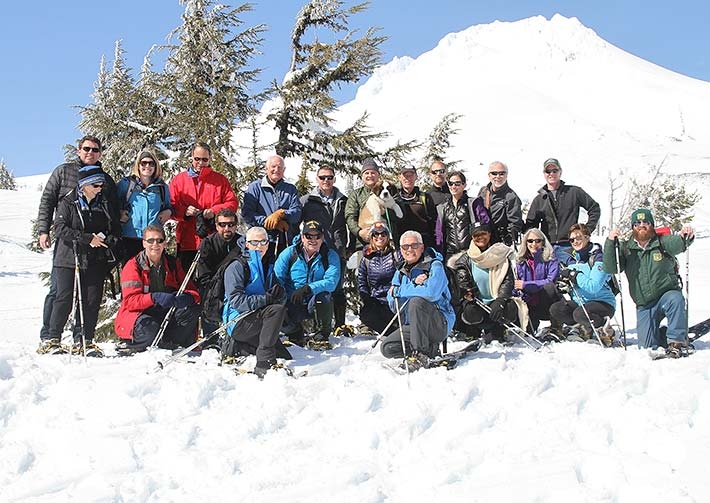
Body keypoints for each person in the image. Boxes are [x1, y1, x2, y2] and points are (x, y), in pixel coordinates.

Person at [36, 135, 120, 342]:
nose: (90, 153)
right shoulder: (64, 172)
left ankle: (82, 337)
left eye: (94, 150)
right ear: (78, 150)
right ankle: (49, 335)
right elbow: (47, 201)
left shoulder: (106, 179)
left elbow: (112, 210)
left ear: (100, 153)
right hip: (67, 242)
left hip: (93, 248)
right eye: (86, 149)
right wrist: (43, 230)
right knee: (60, 291)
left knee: (89, 295)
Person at [603, 209, 694, 354]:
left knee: (676, 299)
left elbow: (679, 243)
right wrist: (609, 242)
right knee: (646, 346)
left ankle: (676, 341)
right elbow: (610, 267)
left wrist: (685, 235)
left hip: (666, 295)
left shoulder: (662, 242)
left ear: (652, 225)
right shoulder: (626, 248)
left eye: (646, 222)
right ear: (632, 227)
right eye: (637, 223)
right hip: (644, 304)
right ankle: (664, 334)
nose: (641, 225)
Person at [114, 225, 201, 353]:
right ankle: (136, 343)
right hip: (138, 315)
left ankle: (170, 342)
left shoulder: (172, 264)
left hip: (165, 312)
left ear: (165, 243)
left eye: (159, 240)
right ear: (144, 243)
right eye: (150, 241)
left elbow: (192, 291)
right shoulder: (133, 266)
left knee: (192, 310)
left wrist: (186, 298)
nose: (155, 244)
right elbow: (130, 302)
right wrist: (154, 298)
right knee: (149, 328)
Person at [380, 230, 455, 371]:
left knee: (416, 302)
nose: (409, 250)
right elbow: (392, 300)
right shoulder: (400, 272)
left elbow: (431, 293)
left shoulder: (435, 266)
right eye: (405, 247)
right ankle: (430, 350)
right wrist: (413, 284)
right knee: (387, 348)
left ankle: (420, 354)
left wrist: (401, 290)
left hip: (438, 323)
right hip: (413, 326)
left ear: (422, 247)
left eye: (414, 245)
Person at [222, 226, 291, 378]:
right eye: (254, 242)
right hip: (238, 320)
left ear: (268, 243)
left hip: (257, 317)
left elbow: (276, 296)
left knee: (284, 355)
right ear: (246, 244)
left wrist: (279, 295)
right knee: (276, 311)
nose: (259, 246)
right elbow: (236, 301)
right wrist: (266, 299)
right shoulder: (237, 266)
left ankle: (241, 347)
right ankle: (264, 363)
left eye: (263, 242)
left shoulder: (268, 265)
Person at [169, 142, 238, 271]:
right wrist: (185, 211)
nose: (200, 163)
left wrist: (215, 211)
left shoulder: (220, 180)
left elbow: (232, 203)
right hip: (187, 240)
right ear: (191, 157)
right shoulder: (179, 180)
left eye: (204, 159)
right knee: (187, 279)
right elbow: (170, 207)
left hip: (213, 238)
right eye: (197, 159)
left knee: (212, 278)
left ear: (210, 159)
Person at [453, 220, 525, 343]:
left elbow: (508, 280)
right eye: (476, 235)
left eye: (483, 234)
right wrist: (468, 292)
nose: (480, 238)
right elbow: (462, 281)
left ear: (489, 234)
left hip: (495, 300)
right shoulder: (465, 259)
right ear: (471, 237)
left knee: (509, 308)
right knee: (470, 312)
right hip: (477, 302)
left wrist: (501, 299)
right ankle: (473, 330)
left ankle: (498, 330)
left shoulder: (500, 255)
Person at [300, 164, 353, 330]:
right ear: (317, 179)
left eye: (329, 177)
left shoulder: (344, 200)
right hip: (316, 249)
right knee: (318, 285)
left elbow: (351, 222)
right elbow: (296, 222)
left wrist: (348, 245)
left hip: (338, 248)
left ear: (334, 179)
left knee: (338, 286)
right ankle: (318, 324)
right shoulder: (307, 201)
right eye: (322, 177)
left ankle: (340, 324)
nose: (326, 180)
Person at [274, 220, 340, 349]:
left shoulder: (329, 255)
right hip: (292, 301)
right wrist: (283, 297)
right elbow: (277, 279)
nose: (313, 240)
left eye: (317, 236)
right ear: (302, 237)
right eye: (309, 236)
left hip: (313, 303)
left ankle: (321, 335)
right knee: (276, 306)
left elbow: (332, 282)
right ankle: (294, 332)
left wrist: (309, 288)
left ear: (322, 238)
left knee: (324, 296)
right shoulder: (289, 253)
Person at [549, 224, 616, 343]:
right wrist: (566, 286)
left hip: (602, 303)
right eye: (572, 239)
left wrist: (576, 275)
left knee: (580, 313)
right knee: (557, 309)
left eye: (579, 238)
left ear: (587, 237)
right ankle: (582, 329)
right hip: (581, 303)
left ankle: (604, 328)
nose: (575, 242)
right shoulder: (570, 258)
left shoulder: (598, 257)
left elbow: (593, 286)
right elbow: (573, 283)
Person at [524, 158, 600, 259]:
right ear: (544, 174)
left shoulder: (574, 192)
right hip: (547, 248)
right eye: (548, 171)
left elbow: (594, 208)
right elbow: (531, 225)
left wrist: (586, 231)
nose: (551, 174)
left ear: (560, 172)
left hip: (570, 246)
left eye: (555, 171)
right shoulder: (539, 199)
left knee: (572, 273)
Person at [116, 150, 172, 263]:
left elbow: (168, 206)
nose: (147, 166)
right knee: (130, 274)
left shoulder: (161, 187)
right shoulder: (126, 184)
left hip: (153, 238)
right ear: (138, 165)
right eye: (144, 163)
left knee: (152, 274)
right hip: (130, 236)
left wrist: (168, 212)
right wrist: (119, 213)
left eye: (151, 163)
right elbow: (112, 203)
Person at [241, 154, 302, 256]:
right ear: (266, 168)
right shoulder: (255, 188)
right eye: (273, 167)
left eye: (280, 167)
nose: (276, 170)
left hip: (285, 241)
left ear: (284, 170)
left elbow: (297, 213)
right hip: (260, 243)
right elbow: (247, 214)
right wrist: (267, 222)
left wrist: (282, 214)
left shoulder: (291, 189)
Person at [196, 208, 242, 337]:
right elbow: (203, 273)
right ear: (216, 226)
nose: (227, 228)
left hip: (236, 287)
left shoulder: (242, 243)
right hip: (214, 286)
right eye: (222, 224)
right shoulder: (208, 243)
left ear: (236, 226)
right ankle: (210, 338)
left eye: (231, 224)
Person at [345, 158, 400, 250]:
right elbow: (350, 216)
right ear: (362, 176)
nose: (370, 175)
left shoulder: (391, 191)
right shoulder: (356, 195)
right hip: (362, 243)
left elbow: (397, 215)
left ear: (378, 175)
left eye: (373, 173)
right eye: (367, 173)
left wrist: (383, 211)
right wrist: (359, 232)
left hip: (387, 242)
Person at [357, 221, 401, 336]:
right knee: (366, 314)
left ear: (388, 236)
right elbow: (362, 282)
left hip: (394, 300)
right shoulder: (367, 259)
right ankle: (390, 334)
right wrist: (366, 298)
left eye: (383, 234)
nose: (379, 237)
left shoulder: (396, 255)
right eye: (376, 234)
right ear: (371, 237)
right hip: (378, 301)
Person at [514, 228, 561, 333]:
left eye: (537, 241)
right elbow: (517, 283)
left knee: (549, 287)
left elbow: (550, 281)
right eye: (530, 241)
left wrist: (526, 285)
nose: (534, 244)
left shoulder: (551, 259)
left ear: (543, 242)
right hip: (529, 301)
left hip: (546, 301)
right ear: (525, 243)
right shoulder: (520, 261)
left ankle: (556, 325)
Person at [478, 161, 523, 246]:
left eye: (502, 173)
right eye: (494, 173)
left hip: (501, 241)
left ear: (506, 175)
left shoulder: (511, 197)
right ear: (489, 175)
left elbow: (515, 223)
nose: (498, 177)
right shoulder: (484, 192)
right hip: (483, 239)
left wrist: (509, 242)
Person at [393, 166, 437, 249]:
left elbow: (435, 223)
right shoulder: (393, 198)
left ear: (416, 177)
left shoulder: (425, 197)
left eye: (411, 175)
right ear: (399, 177)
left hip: (423, 245)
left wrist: (437, 245)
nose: (408, 178)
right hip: (402, 246)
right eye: (405, 176)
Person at [437, 170, 474, 261]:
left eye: (457, 183)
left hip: (470, 252)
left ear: (464, 184)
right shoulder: (442, 208)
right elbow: (438, 233)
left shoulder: (472, 204)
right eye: (450, 183)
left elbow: (481, 229)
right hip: (450, 254)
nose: (453, 186)